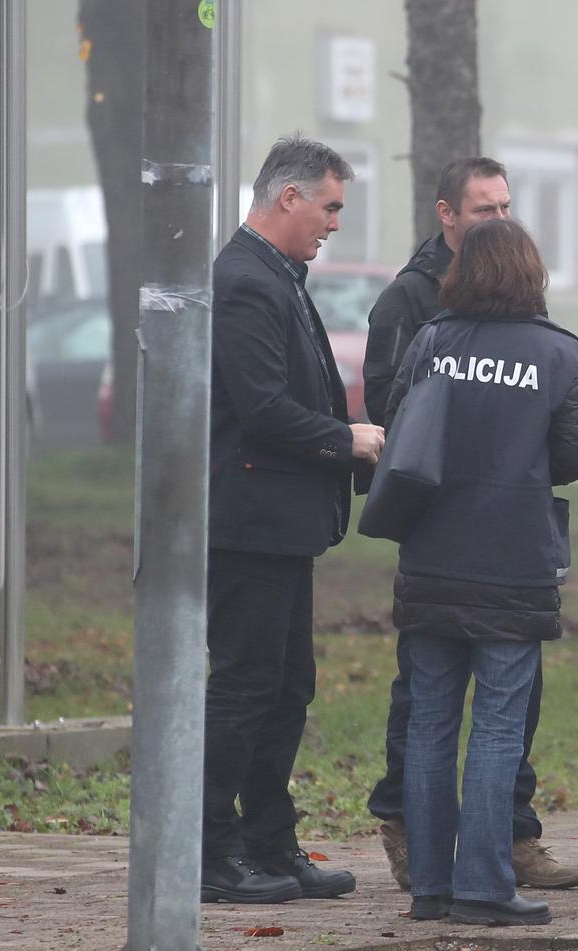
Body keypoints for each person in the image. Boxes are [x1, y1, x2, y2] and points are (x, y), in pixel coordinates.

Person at [361, 157, 578, 894]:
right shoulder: (557, 355)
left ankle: (429, 884)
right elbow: (575, 457)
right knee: (496, 725)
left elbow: (396, 423)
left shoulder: (430, 343)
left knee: (428, 721)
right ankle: (488, 884)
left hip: (431, 556)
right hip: (514, 563)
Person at [202, 136, 384, 904]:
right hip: (250, 521)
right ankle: (208, 854)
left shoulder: (279, 273)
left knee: (286, 689)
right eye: (331, 206)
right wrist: (344, 439)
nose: (335, 223)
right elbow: (263, 406)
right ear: (289, 198)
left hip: (282, 524)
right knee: (247, 688)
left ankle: (269, 845)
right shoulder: (246, 280)